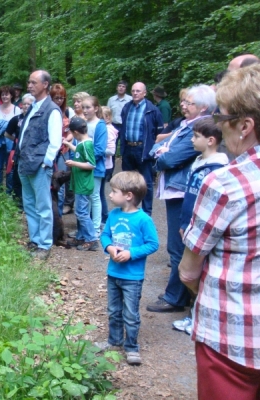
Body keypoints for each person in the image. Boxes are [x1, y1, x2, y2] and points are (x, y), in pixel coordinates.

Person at [179, 64, 260, 399]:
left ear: (245, 125)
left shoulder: (227, 183)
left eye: (223, 118)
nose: (220, 126)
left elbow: (188, 270)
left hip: (232, 343)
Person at [146, 85, 216, 313]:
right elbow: (155, 148)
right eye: (184, 102)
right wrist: (162, 153)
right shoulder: (185, 126)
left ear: (204, 107)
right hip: (174, 190)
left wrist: (163, 155)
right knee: (177, 245)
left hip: (181, 192)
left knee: (179, 245)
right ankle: (180, 293)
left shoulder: (201, 128)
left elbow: (168, 159)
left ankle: (175, 298)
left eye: (189, 103)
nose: (184, 106)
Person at [171, 118, 228, 334]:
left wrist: (192, 225)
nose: (192, 140)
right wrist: (184, 223)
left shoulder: (217, 169)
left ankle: (199, 317)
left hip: (201, 230)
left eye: (196, 137)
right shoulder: (199, 162)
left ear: (211, 140)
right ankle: (194, 314)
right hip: (189, 225)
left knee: (196, 273)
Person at [96, 171, 159, 365]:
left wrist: (131, 253)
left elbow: (153, 244)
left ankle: (131, 347)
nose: (110, 195)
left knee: (130, 314)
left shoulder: (143, 220)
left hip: (132, 276)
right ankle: (114, 340)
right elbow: (105, 235)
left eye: (114, 191)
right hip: (113, 272)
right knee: (114, 310)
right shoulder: (114, 215)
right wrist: (109, 247)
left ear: (128, 195)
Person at [18, 70, 62, 260]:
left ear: (45, 85)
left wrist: (45, 163)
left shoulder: (51, 110)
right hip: (24, 163)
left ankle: (44, 245)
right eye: (29, 82)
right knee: (29, 205)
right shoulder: (34, 107)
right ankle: (35, 241)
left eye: (33, 82)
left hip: (39, 166)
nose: (29, 86)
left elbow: (55, 142)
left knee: (43, 207)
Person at [118, 82, 164, 216]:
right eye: (133, 91)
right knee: (127, 182)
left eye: (138, 91)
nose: (135, 93)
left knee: (146, 183)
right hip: (128, 148)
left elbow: (159, 133)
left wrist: (153, 149)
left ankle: (147, 212)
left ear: (144, 93)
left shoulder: (153, 110)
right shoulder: (127, 107)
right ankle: (128, 209)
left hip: (143, 150)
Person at [63, 117, 98, 251]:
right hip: (79, 184)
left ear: (76, 132)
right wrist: (67, 144)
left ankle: (91, 239)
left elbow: (91, 164)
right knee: (80, 212)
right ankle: (81, 236)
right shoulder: (81, 144)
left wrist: (74, 163)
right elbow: (78, 152)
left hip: (84, 185)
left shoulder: (86, 144)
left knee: (82, 213)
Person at [81, 96, 108, 236]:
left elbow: (100, 149)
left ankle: (96, 228)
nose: (84, 110)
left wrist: (85, 159)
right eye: (83, 107)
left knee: (94, 197)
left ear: (96, 109)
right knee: (85, 197)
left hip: (95, 168)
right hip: (82, 167)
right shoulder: (83, 124)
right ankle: (86, 227)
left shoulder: (100, 125)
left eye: (88, 107)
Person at [5, 93, 35, 202]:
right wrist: (16, 141)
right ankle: (18, 201)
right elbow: (7, 133)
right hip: (17, 151)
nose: (26, 106)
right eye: (25, 103)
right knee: (16, 176)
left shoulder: (35, 119)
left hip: (32, 153)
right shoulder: (16, 119)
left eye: (29, 104)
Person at [0, 86, 21, 190]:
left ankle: (9, 191)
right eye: (2, 94)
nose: (4, 96)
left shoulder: (17, 110)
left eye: (6, 94)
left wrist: (2, 126)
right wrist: (3, 125)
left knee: (10, 168)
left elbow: (19, 125)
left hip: (11, 143)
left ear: (11, 95)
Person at [50, 83, 73, 217]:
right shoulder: (49, 111)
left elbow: (71, 132)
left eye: (61, 98)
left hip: (63, 152)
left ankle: (58, 217)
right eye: (56, 98)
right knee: (50, 184)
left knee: (60, 186)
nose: (59, 101)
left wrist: (65, 140)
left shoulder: (67, 112)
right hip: (51, 152)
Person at [101, 106, 119, 223]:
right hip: (104, 164)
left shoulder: (108, 130)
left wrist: (95, 148)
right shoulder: (105, 128)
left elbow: (111, 151)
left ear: (107, 117)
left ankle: (104, 218)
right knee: (99, 192)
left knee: (99, 193)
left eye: (100, 116)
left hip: (105, 165)